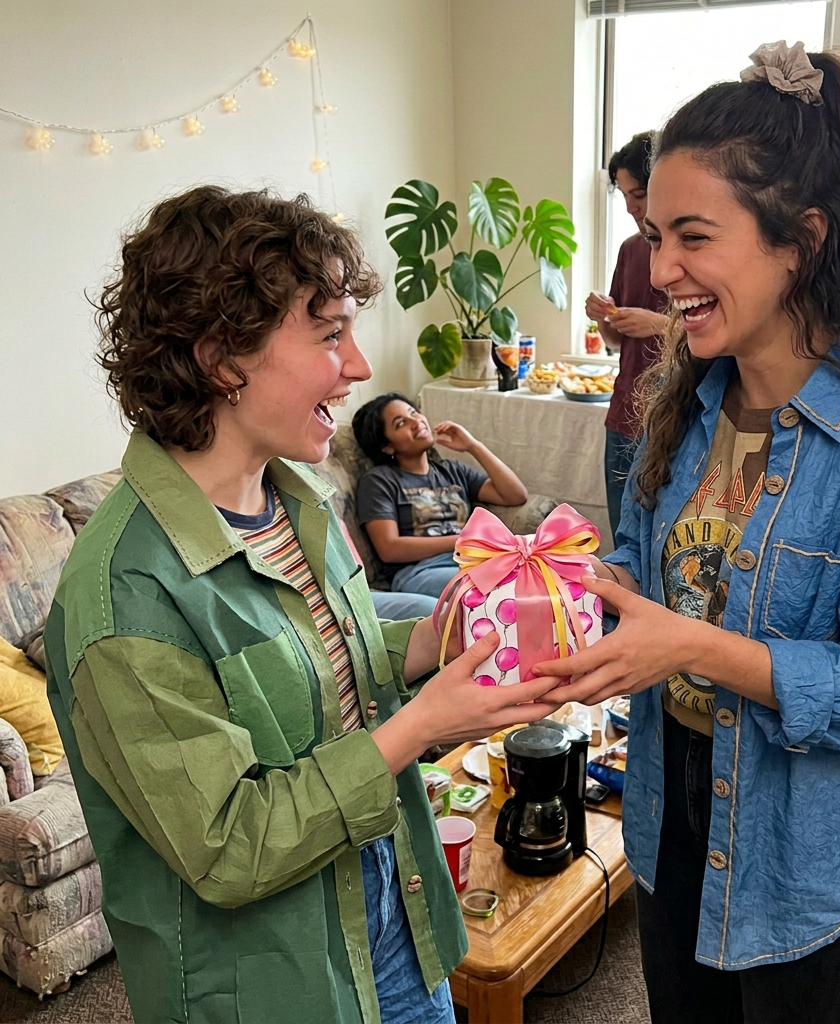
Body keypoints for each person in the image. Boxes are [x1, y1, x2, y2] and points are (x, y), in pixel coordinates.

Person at [534, 41, 840, 1024]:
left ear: (803, 240)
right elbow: (643, 562)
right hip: (671, 809)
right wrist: (569, 591)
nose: (661, 271)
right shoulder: (687, 402)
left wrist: (687, 646)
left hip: (814, 857)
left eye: (692, 237)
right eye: (654, 236)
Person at [44, 186, 559, 1024]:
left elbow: (322, 665)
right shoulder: (125, 597)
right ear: (222, 356)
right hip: (278, 979)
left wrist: (431, 639)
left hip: (391, 905)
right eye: (329, 335)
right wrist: (422, 725)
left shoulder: (300, 497)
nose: (359, 367)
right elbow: (230, 846)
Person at [353, 393, 528, 598]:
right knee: (501, 585)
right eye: (401, 423)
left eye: (413, 413)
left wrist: (473, 446)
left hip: (470, 560)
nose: (416, 422)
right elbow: (389, 548)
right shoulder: (379, 481)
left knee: (536, 573)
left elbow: (515, 495)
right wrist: (465, 539)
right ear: (387, 446)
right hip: (420, 571)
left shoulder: (453, 471)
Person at [586, 131, 670, 540]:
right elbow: (616, 342)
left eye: (638, 194)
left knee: (663, 535)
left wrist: (658, 324)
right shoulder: (631, 250)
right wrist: (602, 316)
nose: (631, 207)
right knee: (623, 532)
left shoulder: (698, 249)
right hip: (624, 412)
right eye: (623, 196)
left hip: (674, 413)